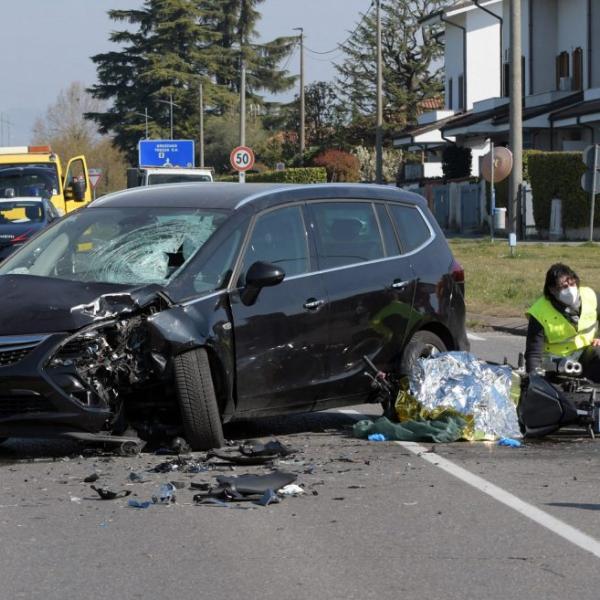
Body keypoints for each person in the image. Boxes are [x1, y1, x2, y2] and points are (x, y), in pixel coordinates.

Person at [525, 263, 600, 381]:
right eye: (563, 286)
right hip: (555, 364)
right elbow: (533, 353)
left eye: (572, 283)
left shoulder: (590, 295)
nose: (570, 289)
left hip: (583, 356)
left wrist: (598, 338)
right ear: (552, 290)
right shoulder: (539, 312)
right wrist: (533, 380)